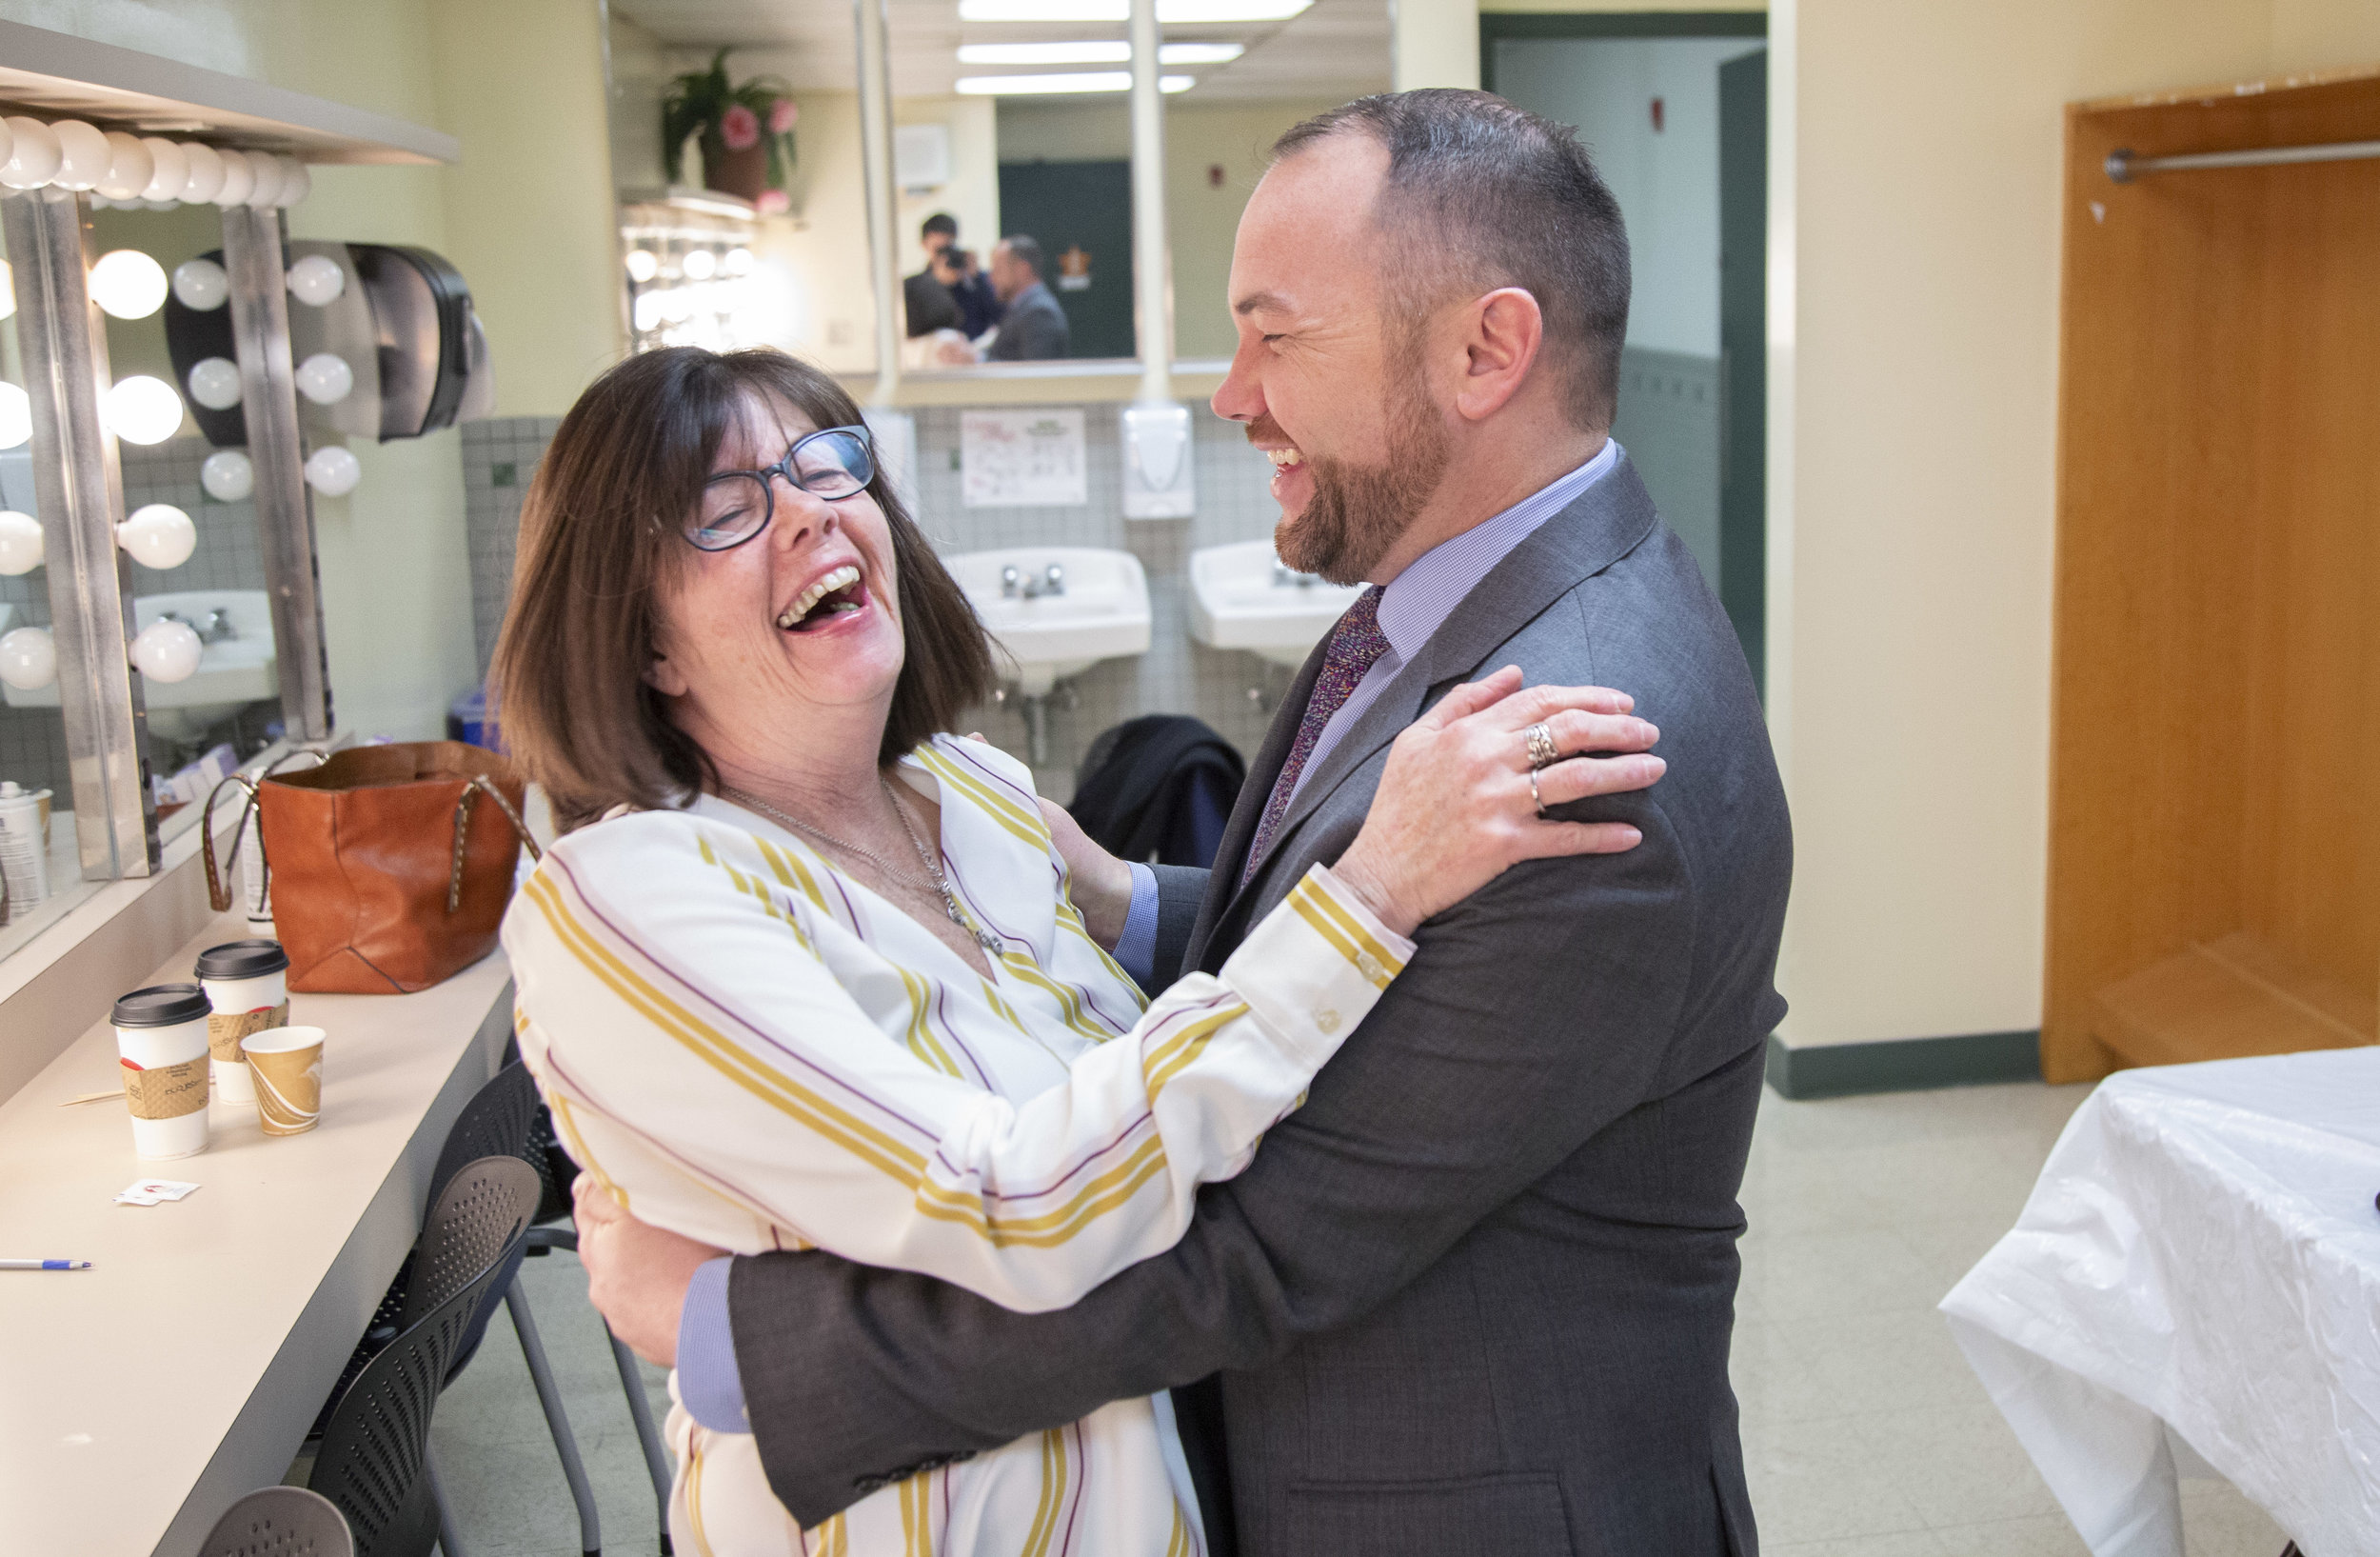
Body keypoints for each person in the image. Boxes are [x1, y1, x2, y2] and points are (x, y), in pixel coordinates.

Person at [582, 90, 1793, 1556]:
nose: (1231, 393)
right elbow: (1354, 962)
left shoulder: (1575, 748)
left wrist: (735, 1334)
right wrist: (1131, 904)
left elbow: (1247, 1244)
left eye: (1278, 337)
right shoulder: (1468, 595)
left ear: (1486, 350)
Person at [490, 343, 1669, 1554]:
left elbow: (1147, 1124)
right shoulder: (632, 895)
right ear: (643, 644)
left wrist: (1129, 903)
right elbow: (1018, 1199)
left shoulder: (974, 795)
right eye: (722, 509)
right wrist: (1369, 888)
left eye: (826, 464)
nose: (809, 514)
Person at [902, 213, 1001, 341]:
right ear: (924, 244)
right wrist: (935, 283)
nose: (945, 256)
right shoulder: (913, 287)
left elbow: (1001, 317)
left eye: (949, 248)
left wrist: (977, 279)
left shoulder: (974, 281)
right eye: (939, 250)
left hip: (973, 353)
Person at [981, 234, 1069, 361]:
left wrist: (975, 360)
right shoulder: (1024, 308)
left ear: (1022, 269)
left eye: (998, 270)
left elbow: (1036, 374)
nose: (991, 279)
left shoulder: (1039, 313)